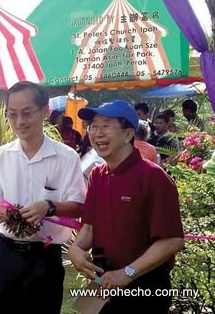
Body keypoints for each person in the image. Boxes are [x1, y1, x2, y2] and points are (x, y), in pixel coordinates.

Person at [70, 100, 184, 313]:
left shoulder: (153, 177)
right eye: (93, 127)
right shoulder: (97, 175)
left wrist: (128, 273)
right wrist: (76, 249)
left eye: (106, 126)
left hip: (145, 285)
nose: (97, 133)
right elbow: (89, 226)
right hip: (105, 281)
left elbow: (172, 240)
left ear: (128, 134)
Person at [0, 81, 86, 313]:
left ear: (45, 111)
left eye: (27, 113)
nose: (20, 121)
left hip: (46, 256)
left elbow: (78, 206)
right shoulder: (1, 156)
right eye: (13, 114)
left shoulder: (66, 157)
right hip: (9, 254)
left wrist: (49, 206)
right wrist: (13, 216)